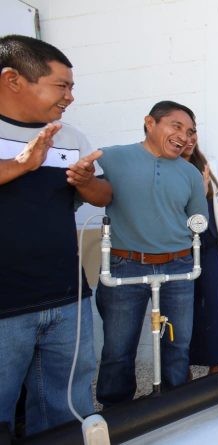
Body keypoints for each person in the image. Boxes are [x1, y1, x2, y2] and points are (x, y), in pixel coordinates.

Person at [0, 35, 112, 434]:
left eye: (72, 87)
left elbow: (103, 194)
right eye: (61, 86)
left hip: (67, 301)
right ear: (13, 80)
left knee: (65, 412)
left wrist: (84, 182)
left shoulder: (69, 136)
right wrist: (21, 164)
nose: (70, 97)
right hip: (5, 308)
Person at [95, 100, 208, 407]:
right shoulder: (111, 157)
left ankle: (176, 407)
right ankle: (116, 416)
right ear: (150, 122)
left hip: (179, 267)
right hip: (124, 264)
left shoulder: (190, 173)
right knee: (118, 348)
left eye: (190, 131)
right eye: (176, 126)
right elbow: (83, 195)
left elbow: (199, 219)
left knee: (178, 343)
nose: (184, 136)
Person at [182, 134, 218, 376]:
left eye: (192, 132)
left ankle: (215, 365)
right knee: (181, 306)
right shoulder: (166, 166)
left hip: (209, 244)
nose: (188, 138)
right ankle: (180, 366)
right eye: (183, 131)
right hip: (180, 246)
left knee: (214, 303)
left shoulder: (209, 165)